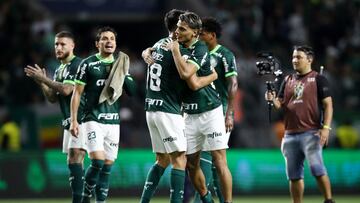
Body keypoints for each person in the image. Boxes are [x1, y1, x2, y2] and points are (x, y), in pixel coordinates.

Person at [140, 9, 217, 203]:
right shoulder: (180, 50)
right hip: (168, 110)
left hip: (151, 108)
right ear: (176, 29)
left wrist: (145, 52)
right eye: (180, 27)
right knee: (180, 160)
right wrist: (214, 75)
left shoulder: (157, 45)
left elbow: (150, 54)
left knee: (162, 160)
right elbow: (189, 77)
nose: (180, 32)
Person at [167, 12, 231, 203]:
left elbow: (190, 79)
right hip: (189, 114)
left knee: (219, 161)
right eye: (177, 27)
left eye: (182, 29)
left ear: (195, 33)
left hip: (210, 111)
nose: (177, 31)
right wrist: (146, 53)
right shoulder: (175, 43)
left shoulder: (200, 48)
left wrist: (176, 51)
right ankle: (206, 199)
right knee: (191, 165)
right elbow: (151, 50)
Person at [70, 26, 135, 203]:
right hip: (93, 119)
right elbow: (77, 93)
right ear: (97, 43)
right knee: (97, 161)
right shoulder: (88, 64)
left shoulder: (120, 64)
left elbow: (132, 91)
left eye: (112, 39)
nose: (109, 42)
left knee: (107, 166)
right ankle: (86, 194)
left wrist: (124, 74)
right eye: (105, 39)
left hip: (113, 121)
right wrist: (74, 120)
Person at [265, 45, 335, 203]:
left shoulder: (318, 78)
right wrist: (272, 99)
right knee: (294, 176)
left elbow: (328, 105)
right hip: (289, 134)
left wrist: (326, 128)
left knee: (317, 169)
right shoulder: (288, 80)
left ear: (309, 59)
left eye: (299, 57)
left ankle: (329, 200)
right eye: (293, 57)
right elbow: (281, 106)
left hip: (311, 132)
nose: (295, 60)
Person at [24, 31, 85, 203]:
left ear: (72, 46)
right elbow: (52, 98)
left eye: (63, 44)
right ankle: (85, 198)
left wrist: (45, 79)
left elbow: (66, 89)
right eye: (56, 44)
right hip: (68, 122)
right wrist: (42, 82)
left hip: (80, 119)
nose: (58, 47)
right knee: (73, 161)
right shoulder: (60, 69)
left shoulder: (77, 64)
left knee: (75, 157)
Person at [193, 17, 238, 203]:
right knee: (202, 161)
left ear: (212, 36)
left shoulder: (224, 55)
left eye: (201, 33)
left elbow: (233, 84)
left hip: (219, 110)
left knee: (217, 160)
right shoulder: (196, 53)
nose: (198, 36)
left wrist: (229, 114)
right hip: (200, 110)